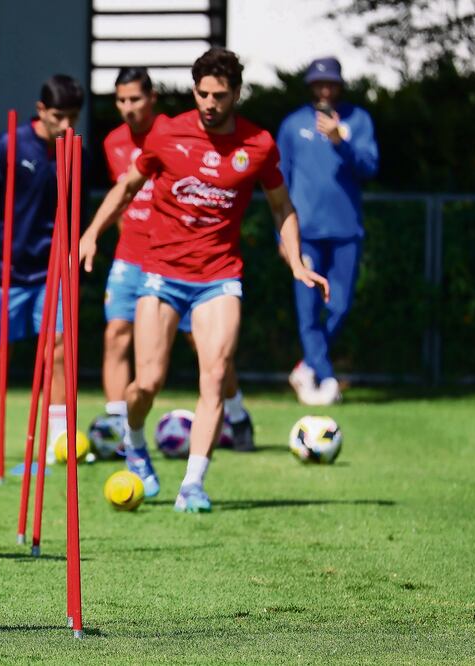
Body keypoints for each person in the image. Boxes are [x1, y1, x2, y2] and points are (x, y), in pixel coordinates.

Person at [80, 48, 328, 512]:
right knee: (147, 383)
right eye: (202, 93)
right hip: (161, 272)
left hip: (219, 276)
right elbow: (126, 186)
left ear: (236, 93)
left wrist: (296, 261)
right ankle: (135, 442)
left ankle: (193, 484)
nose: (209, 102)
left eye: (219, 94)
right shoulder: (166, 133)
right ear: (194, 91)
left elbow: (282, 207)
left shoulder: (258, 144)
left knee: (214, 375)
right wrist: (92, 232)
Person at [94, 66, 255, 452]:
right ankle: (119, 427)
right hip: (131, 256)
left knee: (204, 346)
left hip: (181, 259)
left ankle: (235, 412)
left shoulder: (175, 131)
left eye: (135, 99)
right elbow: (125, 195)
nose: (128, 107)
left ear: (152, 99)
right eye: (120, 100)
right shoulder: (113, 142)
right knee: (116, 333)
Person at [0, 75, 85, 461]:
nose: (67, 124)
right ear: (41, 110)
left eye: (74, 116)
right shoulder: (8, 146)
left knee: (57, 351)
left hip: (50, 271)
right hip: (4, 269)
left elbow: (77, 212)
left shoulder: (74, 151)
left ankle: (59, 437)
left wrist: (73, 250)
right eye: (59, 115)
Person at [279, 57, 378, 405]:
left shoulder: (359, 120)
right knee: (307, 309)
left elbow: (370, 167)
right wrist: (283, 235)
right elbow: (280, 182)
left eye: (331, 84)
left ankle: (307, 366)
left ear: (340, 86)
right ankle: (325, 378)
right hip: (304, 233)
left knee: (340, 306)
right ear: (310, 87)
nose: (325, 90)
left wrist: (342, 142)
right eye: (319, 84)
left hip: (345, 230)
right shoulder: (292, 125)